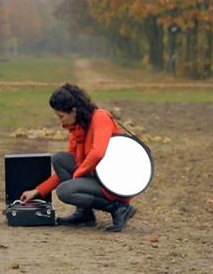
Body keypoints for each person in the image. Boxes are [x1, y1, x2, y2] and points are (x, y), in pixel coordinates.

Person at [19, 83, 136, 232]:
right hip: (97, 178)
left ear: (73, 111)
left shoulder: (100, 118)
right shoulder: (77, 128)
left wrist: (78, 174)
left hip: (114, 181)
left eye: (61, 116)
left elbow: (98, 152)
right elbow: (68, 164)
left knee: (65, 191)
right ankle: (85, 214)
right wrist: (37, 191)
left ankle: (119, 208)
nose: (60, 121)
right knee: (59, 159)